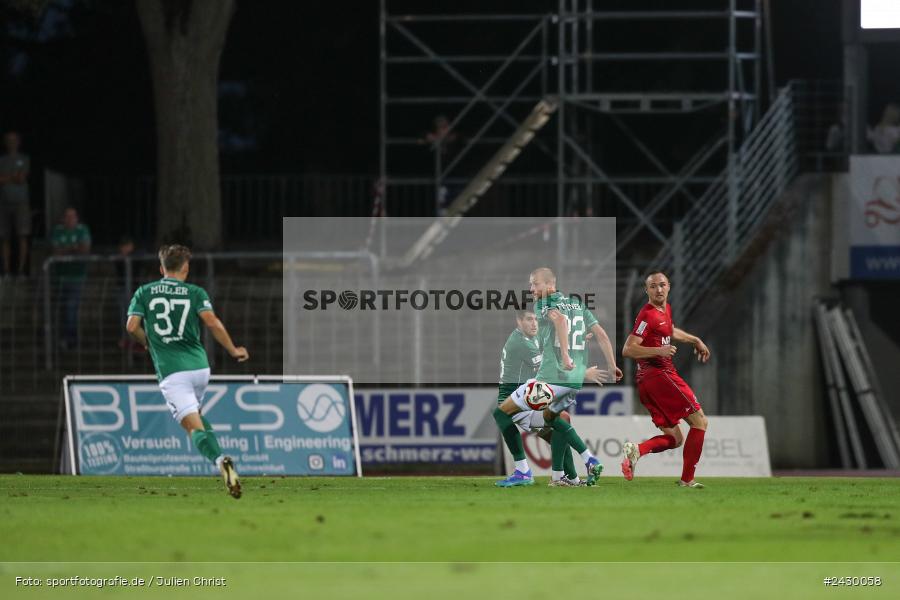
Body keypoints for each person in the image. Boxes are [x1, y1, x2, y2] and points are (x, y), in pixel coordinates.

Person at [125, 244, 249, 499]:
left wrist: (147, 341)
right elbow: (212, 322)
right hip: (200, 368)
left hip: (172, 372)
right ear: (186, 268)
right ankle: (221, 459)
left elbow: (131, 326)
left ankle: (221, 461)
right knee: (199, 418)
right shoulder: (195, 292)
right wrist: (233, 349)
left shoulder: (144, 292)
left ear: (161, 269)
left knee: (194, 428)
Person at [494, 267, 622, 487]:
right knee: (559, 421)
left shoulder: (544, 304)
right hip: (572, 383)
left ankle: (524, 472)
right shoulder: (578, 304)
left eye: (535, 284)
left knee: (500, 414)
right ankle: (567, 476)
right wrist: (612, 366)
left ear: (549, 284)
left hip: (551, 379)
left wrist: (565, 355)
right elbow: (600, 334)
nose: (531, 289)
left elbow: (560, 321)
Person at [621, 271, 711, 488]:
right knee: (700, 421)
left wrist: (694, 339)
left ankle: (637, 450)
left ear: (669, 286)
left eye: (662, 285)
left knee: (676, 438)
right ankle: (687, 480)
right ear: (647, 290)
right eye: (653, 286)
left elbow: (669, 330)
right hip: (659, 376)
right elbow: (628, 349)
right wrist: (658, 351)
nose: (658, 289)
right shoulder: (647, 315)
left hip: (649, 382)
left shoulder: (665, 311)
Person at [497, 309, 603, 487]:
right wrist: (583, 373)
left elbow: (552, 354)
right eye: (529, 320)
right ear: (519, 321)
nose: (534, 324)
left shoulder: (534, 339)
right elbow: (550, 369)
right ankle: (585, 460)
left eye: (536, 320)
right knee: (559, 419)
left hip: (528, 397)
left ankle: (568, 478)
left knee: (561, 423)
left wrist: (575, 344)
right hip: (515, 401)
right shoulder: (520, 343)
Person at [51, 207, 91, 349]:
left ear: (77, 218)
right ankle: (64, 339)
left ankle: (70, 340)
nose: (70, 219)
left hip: (76, 277)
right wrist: (74, 248)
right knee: (61, 309)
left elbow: (84, 249)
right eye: (67, 216)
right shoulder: (58, 231)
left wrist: (66, 249)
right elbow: (55, 252)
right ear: (63, 219)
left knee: (70, 307)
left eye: (73, 216)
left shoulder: (82, 230)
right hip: (60, 278)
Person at [0, 131, 31, 278]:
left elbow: (21, 178)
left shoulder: (24, 159)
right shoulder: (2, 160)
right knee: (4, 237)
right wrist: (13, 176)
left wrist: (7, 177)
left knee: (22, 235)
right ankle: (6, 270)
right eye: (9, 140)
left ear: (19, 142)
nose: (11, 142)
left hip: (21, 203)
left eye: (14, 140)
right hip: (3, 203)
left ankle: (21, 271)